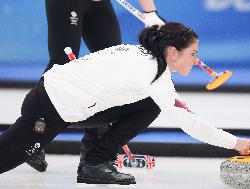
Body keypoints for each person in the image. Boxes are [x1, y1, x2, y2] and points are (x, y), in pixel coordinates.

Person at [0, 22, 250, 185]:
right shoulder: (151, 73)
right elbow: (189, 124)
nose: (195, 61)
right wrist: (235, 143)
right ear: (173, 52)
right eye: (193, 54)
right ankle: (94, 160)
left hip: (70, 104)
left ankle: (96, 162)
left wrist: (171, 101)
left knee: (151, 104)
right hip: (48, 107)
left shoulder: (149, 60)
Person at [25, 0, 166, 172]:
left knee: (110, 65)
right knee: (61, 65)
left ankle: (92, 152)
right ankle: (32, 136)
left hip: (99, 4)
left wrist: (150, 13)